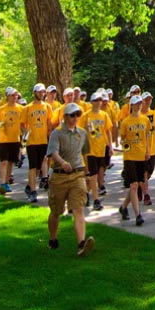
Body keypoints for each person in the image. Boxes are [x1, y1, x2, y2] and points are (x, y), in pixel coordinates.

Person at [47, 103, 95, 256]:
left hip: (77, 175)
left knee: (78, 209)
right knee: (56, 211)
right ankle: (53, 239)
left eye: (77, 115)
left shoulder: (82, 133)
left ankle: (81, 243)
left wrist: (87, 173)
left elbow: (85, 153)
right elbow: (53, 152)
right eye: (72, 115)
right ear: (65, 117)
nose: (75, 118)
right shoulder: (57, 133)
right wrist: (62, 163)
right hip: (59, 176)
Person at [120, 92, 155, 226]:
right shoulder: (126, 122)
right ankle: (138, 215)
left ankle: (124, 207)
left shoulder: (145, 120)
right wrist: (126, 146)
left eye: (140, 103)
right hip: (130, 157)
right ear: (131, 106)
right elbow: (123, 139)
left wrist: (147, 151)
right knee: (134, 185)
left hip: (142, 156)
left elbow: (147, 136)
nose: (139, 106)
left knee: (136, 184)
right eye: (136, 104)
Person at [23, 85, 59, 202]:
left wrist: (50, 137)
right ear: (34, 93)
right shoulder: (28, 108)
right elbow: (22, 123)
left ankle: (30, 185)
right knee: (33, 166)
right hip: (32, 141)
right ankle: (33, 191)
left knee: (40, 165)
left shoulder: (47, 107)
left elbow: (50, 123)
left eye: (42, 92)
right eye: (39, 92)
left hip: (43, 140)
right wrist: (25, 133)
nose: (41, 94)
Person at [83, 91, 116, 211]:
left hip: (101, 148)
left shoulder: (104, 115)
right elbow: (81, 132)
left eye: (99, 101)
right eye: (96, 100)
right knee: (93, 175)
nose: (98, 103)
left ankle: (85, 193)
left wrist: (110, 147)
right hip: (90, 150)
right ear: (91, 102)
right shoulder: (86, 115)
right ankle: (96, 200)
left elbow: (107, 131)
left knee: (98, 173)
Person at [0, 89, 27, 194]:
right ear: (7, 96)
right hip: (3, 139)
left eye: (16, 95)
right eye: (12, 95)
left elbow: (24, 124)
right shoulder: (1, 109)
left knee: (11, 162)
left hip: (15, 138)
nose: (15, 97)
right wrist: (0, 125)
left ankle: (7, 182)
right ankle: (2, 183)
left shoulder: (21, 109)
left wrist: (26, 134)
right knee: (3, 161)